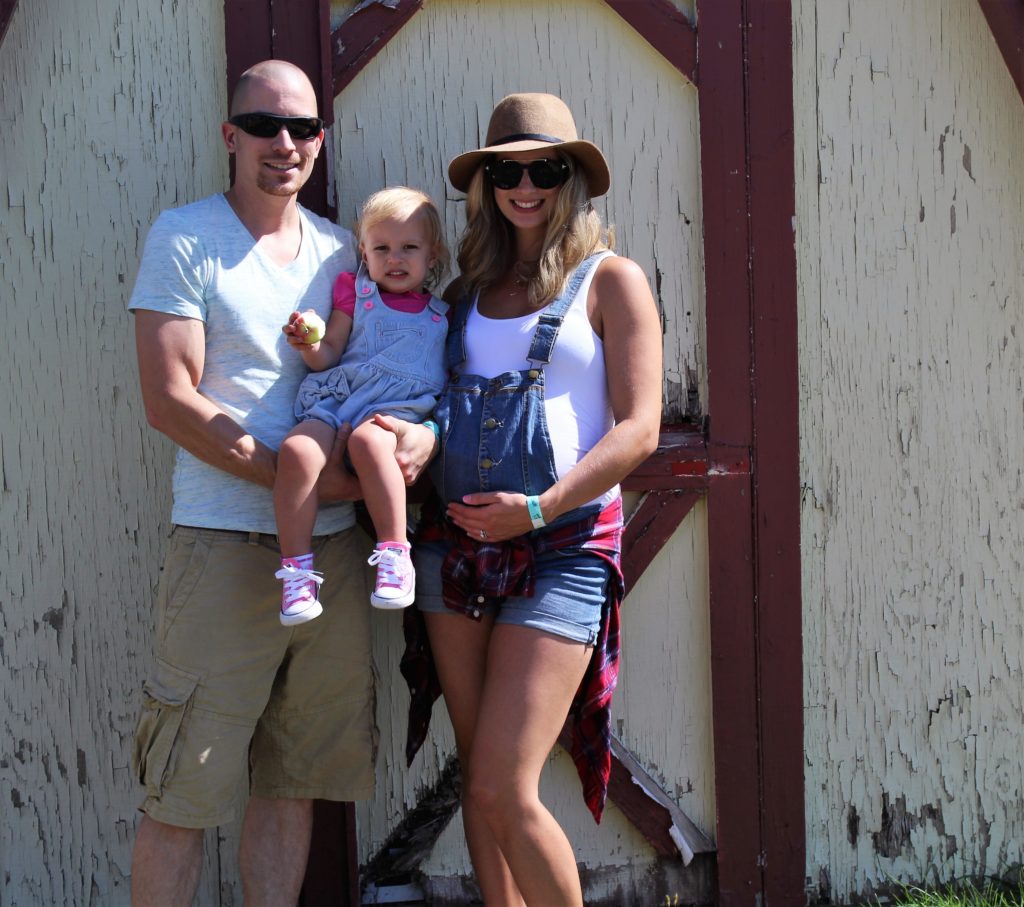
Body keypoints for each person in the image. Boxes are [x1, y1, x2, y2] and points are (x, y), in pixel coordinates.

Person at [126, 60, 433, 906]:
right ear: (231, 136)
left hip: (332, 558)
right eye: (264, 125)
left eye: (302, 128)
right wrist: (297, 480)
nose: (285, 143)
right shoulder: (186, 237)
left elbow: (396, 364)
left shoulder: (349, 250)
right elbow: (170, 400)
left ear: (320, 142)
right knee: (182, 789)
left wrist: (423, 436)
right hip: (225, 547)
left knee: (291, 780)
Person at [400, 93, 664, 906]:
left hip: (564, 545)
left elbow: (639, 429)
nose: (525, 185)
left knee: (502, 784)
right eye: (507, 170)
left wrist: (542, 506)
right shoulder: (462, 293)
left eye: (543, 168)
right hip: (456, 546)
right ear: (486, 184)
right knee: (479, 771)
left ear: (569, 178)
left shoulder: (610, 281)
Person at [274, 186, 450, 622]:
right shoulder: (354, 293)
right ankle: (296, 572)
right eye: (382, 248)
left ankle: (394, 554)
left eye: (409, 247)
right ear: (363, 252)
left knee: (370, 444)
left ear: (432, 255)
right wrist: (309, 343)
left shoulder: (444, 315)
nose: (395, 258)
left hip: (394, 412)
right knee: (296, 450)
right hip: (339, 398)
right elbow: (329, 352)